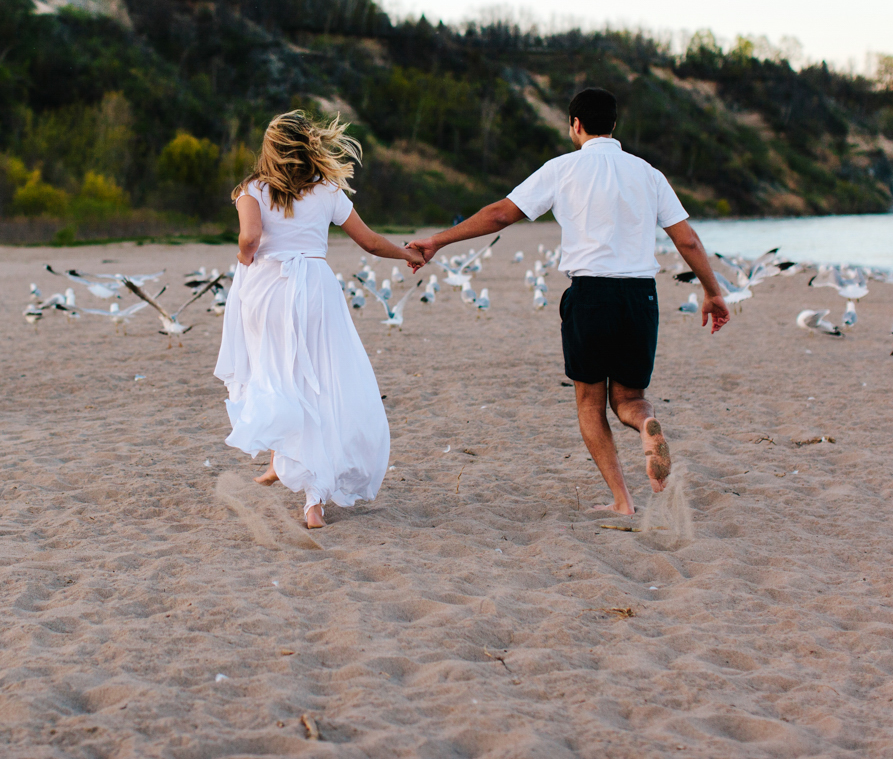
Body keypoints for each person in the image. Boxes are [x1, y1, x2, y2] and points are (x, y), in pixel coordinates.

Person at [404, 87, 730, 515]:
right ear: (614, 125)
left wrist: (438, 241)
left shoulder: (563, 169)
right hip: (640, 295)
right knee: (630, 399)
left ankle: (622, 501)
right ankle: (645, 426)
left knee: (590, 403)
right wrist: (712, 291)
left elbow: (501, 214)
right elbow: (686, 239)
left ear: (575, 125)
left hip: (590, 294)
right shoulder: (648, 173)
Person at [216, 111, 419, 529]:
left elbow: (249, 239)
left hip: (269, 289)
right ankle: (311, 499)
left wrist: (244, 259)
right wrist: (407, 253)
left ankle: (287, 466)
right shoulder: (328, 191)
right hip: (315, 289)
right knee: (317, 379)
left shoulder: (252, 189)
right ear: (309, 147)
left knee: (275, 371)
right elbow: (371, 242)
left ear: (270, 150)